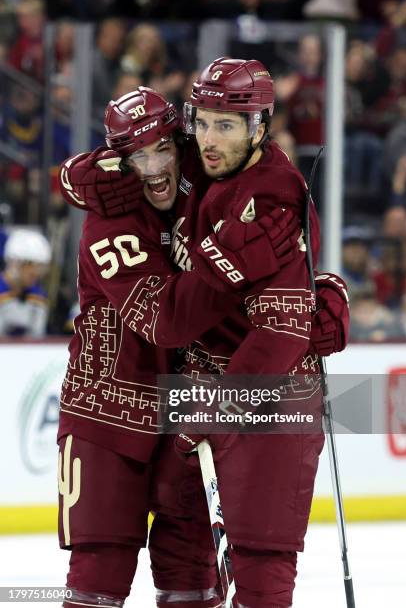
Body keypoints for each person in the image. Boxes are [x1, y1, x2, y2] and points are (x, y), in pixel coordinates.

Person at [59, 70, 349, 607]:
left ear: (182, 140)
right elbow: (166, 318)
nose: (157, 168)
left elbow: (269, 188)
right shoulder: (107, 224)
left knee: (190, 566)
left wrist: (319, 289)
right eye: (137, 157)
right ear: (116, 163)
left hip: (187, 402)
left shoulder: (210, 167)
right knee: (98, 570)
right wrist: (234, 265)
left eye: (165, 148)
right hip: (110, 411)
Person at [0, 229, 51, 337]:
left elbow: (37, 340)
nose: (36, 272)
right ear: (13, 262)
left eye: (40, 266)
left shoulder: (38, 296)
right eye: (30, 264)